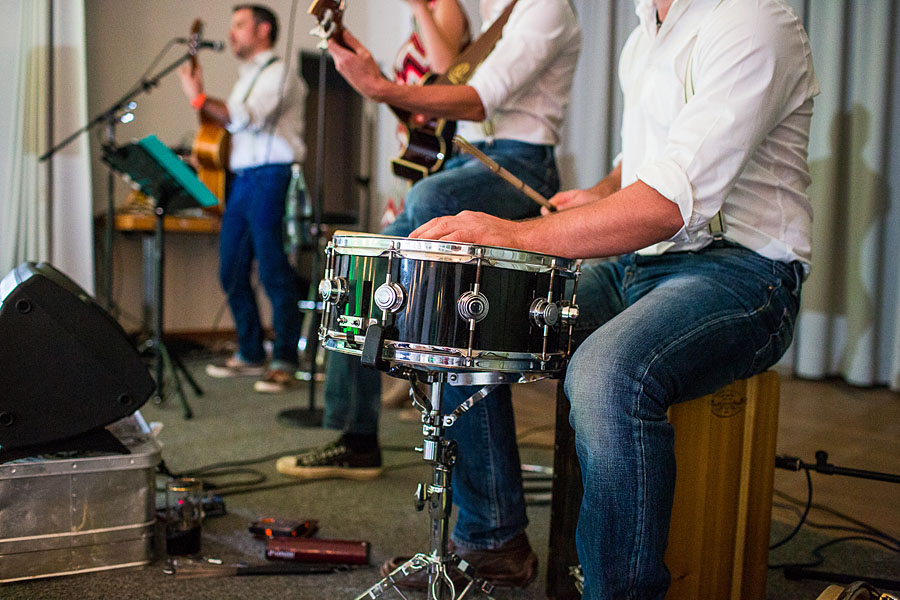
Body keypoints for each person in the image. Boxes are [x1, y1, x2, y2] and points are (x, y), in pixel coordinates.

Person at [405, 0, 819, 597]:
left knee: (606, 374)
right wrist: (597, 194)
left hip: (746, 272)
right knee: (474, 318)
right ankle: (493, 538)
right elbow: (646, 163)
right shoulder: (644, 34)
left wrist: (516, 233)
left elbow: (669, 202)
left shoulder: (753, 20)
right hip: (644, 264)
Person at [276, 0, 582, 589]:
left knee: (417, 226)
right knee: (370, 274)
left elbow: (477, 100)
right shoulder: (492, 12)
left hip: (519, 163)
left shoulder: (545, 7)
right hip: (473, 157)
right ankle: (368, 442)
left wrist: (384, 86)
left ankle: (489, 528)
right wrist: (377, 64)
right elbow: (453, 74)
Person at [178, 4, 307, 394]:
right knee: (231, 270)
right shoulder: (245, 77)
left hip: (271, 176)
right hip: (242, 180)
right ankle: (251, 351)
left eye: (239, 25)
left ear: (264, 30)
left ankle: (285, 356)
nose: (231, 33)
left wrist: (199, 100)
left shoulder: (281, 73)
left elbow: (246, 117)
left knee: (272, 270)